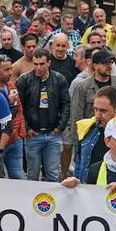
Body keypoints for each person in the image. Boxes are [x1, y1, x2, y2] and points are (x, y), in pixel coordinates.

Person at [16, 49, 70, 182]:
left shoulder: (59, 79)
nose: (38, 67)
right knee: (33, 174)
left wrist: (60, 127)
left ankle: (53, 202)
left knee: (52, 174)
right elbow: (19, 108)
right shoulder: (24, 80)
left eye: (42, 64)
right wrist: (27, 128)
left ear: (49, 63)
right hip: (34, 134)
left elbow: (66, 104)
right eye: (35, 64)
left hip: (53, 133)